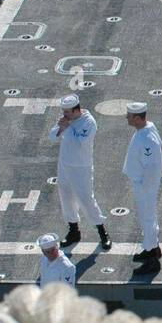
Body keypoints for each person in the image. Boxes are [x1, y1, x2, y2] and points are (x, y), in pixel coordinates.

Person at [49, 94, 112, 251]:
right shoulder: (66, 121)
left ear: (76, 110)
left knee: (86, 199)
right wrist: (61, 127)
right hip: (64, 165)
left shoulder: (88, 122)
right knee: (66, 198)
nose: (65, 115)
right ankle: (73, 230)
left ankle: (102, 231)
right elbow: (52, 136)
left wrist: (66, 127)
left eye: (67, 112)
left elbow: (80, 142)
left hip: (81, 167)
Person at [122, 101, 162, 272]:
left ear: (138, 118)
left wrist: (145, 186)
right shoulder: (144, 131)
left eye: (130, 116)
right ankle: (153, 248)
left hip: (145, 185)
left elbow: (152, 166)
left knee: (147, 220)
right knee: (148, 218)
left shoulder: (147, 138)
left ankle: (152, 259)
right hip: (143, 183)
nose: (127, 117)